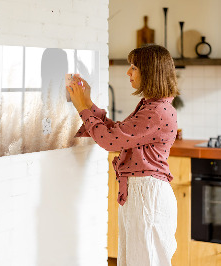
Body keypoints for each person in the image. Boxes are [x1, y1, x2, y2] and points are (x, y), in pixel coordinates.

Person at [67, 44, 179, 266]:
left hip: (147, 195)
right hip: (142, 193)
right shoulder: (152, 106)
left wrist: (82, 108)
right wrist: (88, 103)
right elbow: (118, 133)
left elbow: (110, 141)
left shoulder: (156, 111)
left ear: (150, 72)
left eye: (134, 67)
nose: (128, 72)